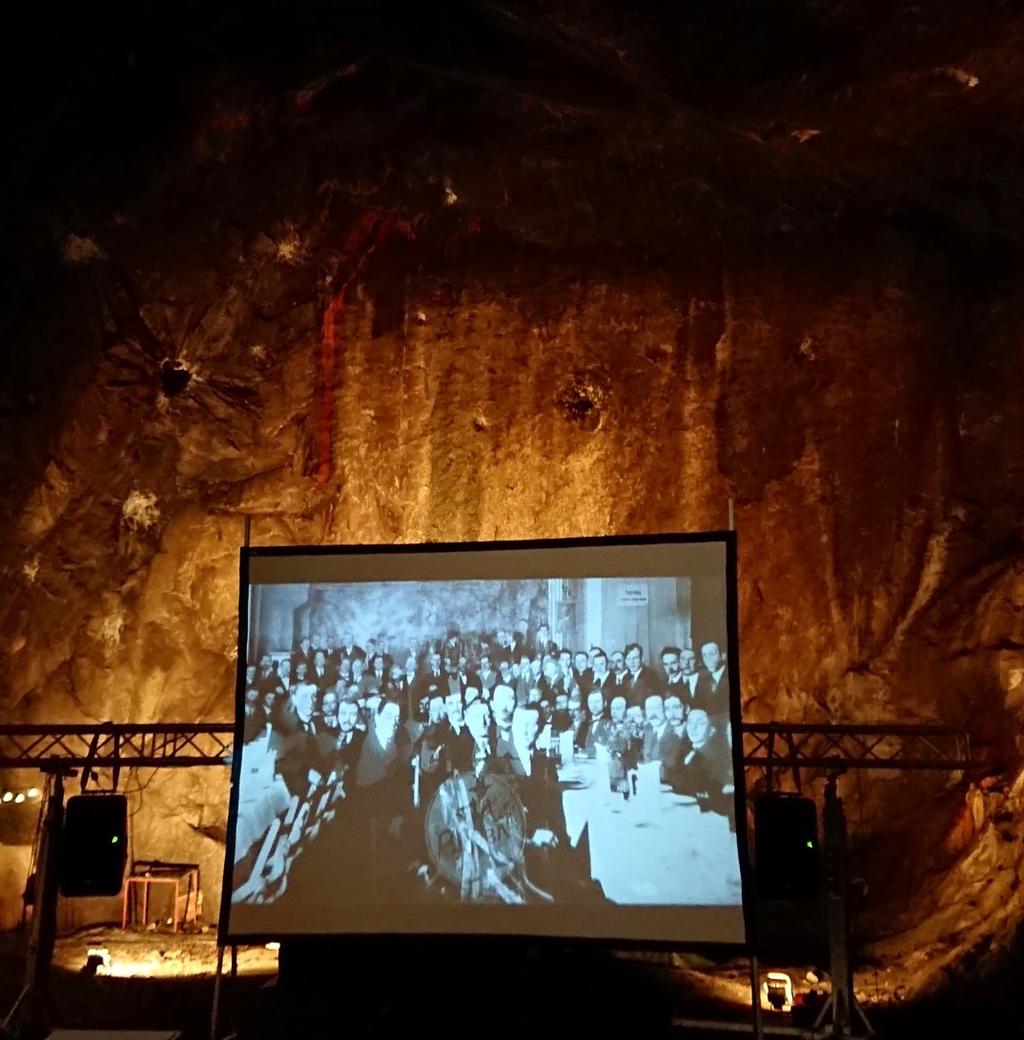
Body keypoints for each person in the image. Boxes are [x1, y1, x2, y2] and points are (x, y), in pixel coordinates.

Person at [669, 709, 735, 817]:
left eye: (700, 723)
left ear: (711, 731)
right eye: (690, 722)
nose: (693, 727)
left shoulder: (714, 758)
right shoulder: (685, 752)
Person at [694, 642, 730, 719]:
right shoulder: (702, 676)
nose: (707, 659)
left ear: (723, 656)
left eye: (711, 654)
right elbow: (698, 704)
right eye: (704, 655)